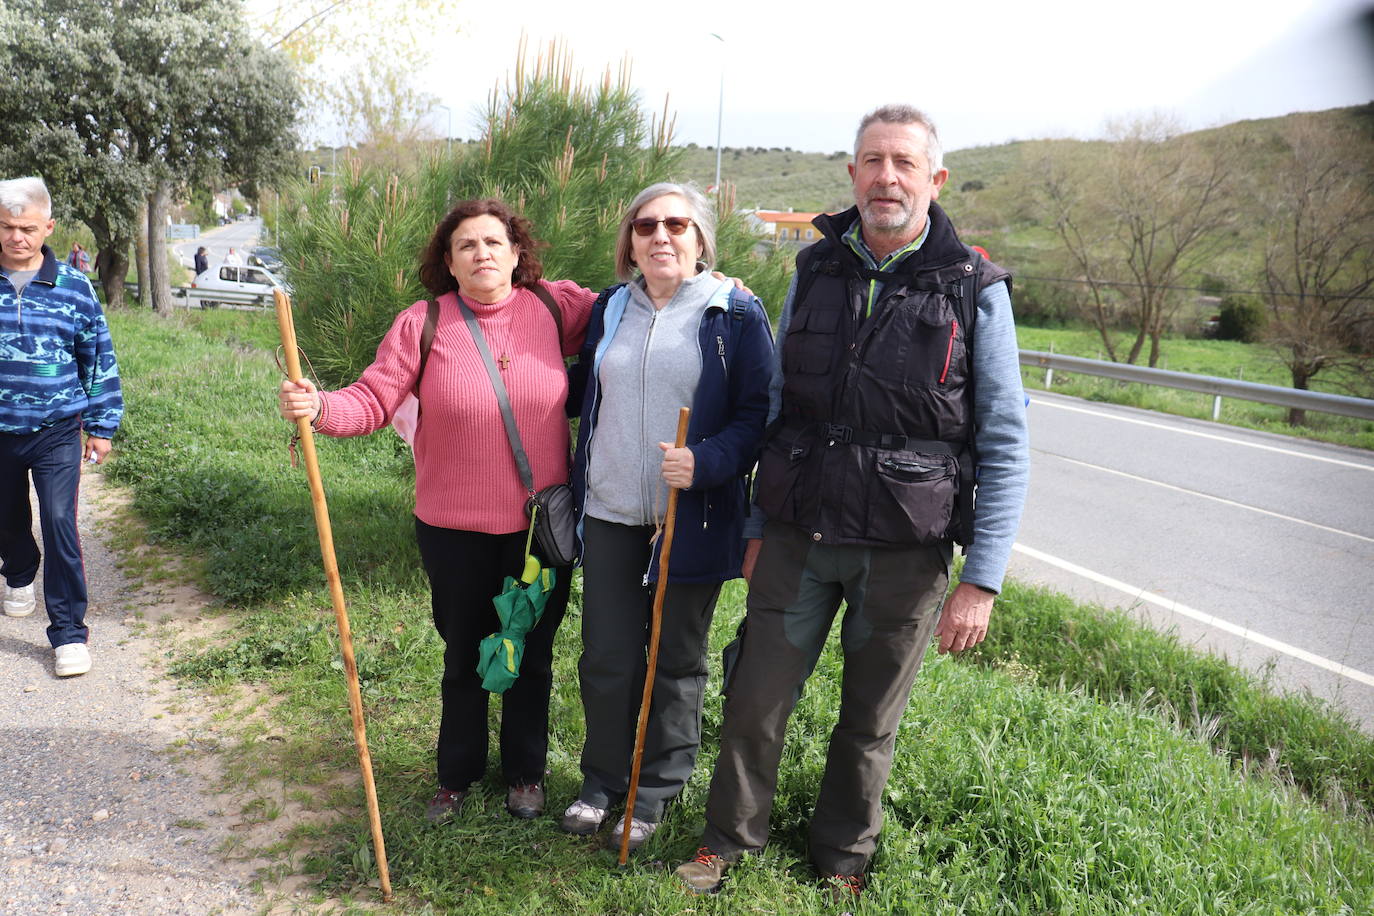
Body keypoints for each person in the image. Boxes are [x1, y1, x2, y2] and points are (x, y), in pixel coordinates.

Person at [674, 105, 1030, 898]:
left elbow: (1005, 441)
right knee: (755, 695)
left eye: (904, 163)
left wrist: (984, 578)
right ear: (851, 175)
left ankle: (843, 860)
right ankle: (726, 843)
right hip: (800, 530)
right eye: (872, 161)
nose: (886, 177)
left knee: (870, 720)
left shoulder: (975, 288)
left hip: (906, 548)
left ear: (935, 180)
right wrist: (762, 523)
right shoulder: (816, 269)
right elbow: (778, 408)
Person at [277, 199, 595, 823]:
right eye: (467, 246)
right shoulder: (423, 323)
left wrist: (712, 283)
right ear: (447, 262)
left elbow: (640, 302)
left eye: (494, 243)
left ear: (517, 253)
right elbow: (372, 398)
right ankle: (457, 774)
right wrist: (319, 408)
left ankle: (526, 774)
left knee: (531, 652)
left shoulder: (557, 309)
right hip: (452, 530)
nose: (482, 254)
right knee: (464, 654)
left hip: (539, 530)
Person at [558, 183, 773, 851]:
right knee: (608, 658)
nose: (660, 236)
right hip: (613, 512)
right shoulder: (610, 309)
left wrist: (705, 462)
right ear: (628, 241)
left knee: (676, 662)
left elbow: (758, 414)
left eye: (676, 224)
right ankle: (602, 779)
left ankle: (655, 789)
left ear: (700, 239)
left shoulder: (734, 313)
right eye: (645, 225)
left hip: (693, 518)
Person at [0, 177, 124, 678]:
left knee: (59, 521)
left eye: (27, 228)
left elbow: (98, 358)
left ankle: (69, 634)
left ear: (48, 227)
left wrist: (102, 425)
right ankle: (19, 570)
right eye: (7, 227)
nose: (16, 238)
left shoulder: (74, 288)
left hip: (55, 430)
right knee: (6, 519)